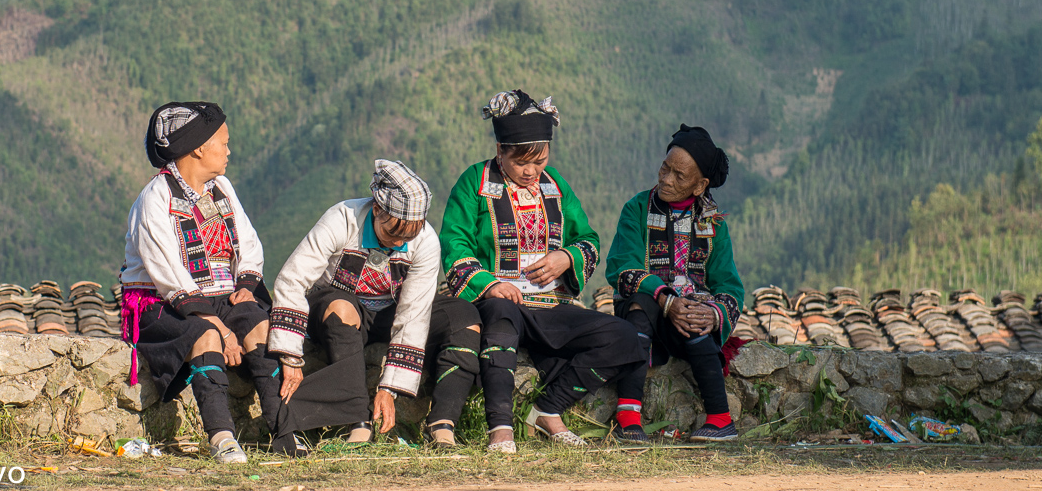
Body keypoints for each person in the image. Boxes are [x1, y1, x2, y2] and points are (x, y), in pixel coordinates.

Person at [439, 90, 648, 453]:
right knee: (502, 316)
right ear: (501, 150)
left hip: (552, 305)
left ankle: (548, 410)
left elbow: (588, 239)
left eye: (540, 160)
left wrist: (567, 258)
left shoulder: (555, 187)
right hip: (503, 303)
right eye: (521, 162)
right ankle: (500, 427)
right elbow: (454, 243)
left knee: (625, 336)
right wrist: (489, 285)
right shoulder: (474, 183)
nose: (532, 171)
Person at [119, 101, 291, 462]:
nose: (229, 150)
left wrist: (245, 284)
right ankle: (222, 437)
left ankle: (283, 427)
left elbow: (248, 241)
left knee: (259, 326)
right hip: (163, 304)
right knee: (205, 335)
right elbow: (169, 276)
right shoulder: (156, 199)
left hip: (222, 295)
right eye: (223, 142)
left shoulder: (222, 188)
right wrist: (216, 324)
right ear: (198, 147)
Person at [269, 159, 481, 447]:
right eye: (392, 233)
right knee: (341, 309)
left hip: (389, 312)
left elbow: (414, 313)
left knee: (463, 315)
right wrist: (290, 355)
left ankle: (442, 425)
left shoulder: (426, 241)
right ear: (377, 210)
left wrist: (390, 387)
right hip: (336, 306)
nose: (398, 243)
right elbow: (293, 279)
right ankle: (357, 420)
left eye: (408, 237)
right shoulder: (342, 219)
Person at [605, 124, 746, 442]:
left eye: (679, 176)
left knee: (697, 319)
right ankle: (628, 417)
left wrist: (712, 313)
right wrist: (666, 299)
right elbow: (621, 266)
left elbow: (729, 286)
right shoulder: (638, 209)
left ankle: (721, 420)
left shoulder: (713, 224)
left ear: (700, 185)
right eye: (664, 168)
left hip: (686, 316)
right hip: (648, 307)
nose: (666, 179)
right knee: (640, 309)